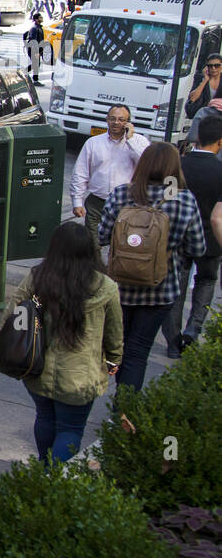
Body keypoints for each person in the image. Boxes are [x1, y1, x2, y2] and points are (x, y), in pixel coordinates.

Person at [0, 221, 122, 464]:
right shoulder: (106, 287)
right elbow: (114, 331)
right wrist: (114, 359)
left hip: (38, 368)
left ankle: (46, 466)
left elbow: (11, 316)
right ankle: (52, 478)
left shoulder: (38, 277)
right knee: (71, 428)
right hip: (80, 376)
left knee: (45, 417)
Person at [98, 143, 207, 392]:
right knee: (137, 352)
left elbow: (101, 236)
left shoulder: (121, 194)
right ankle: (122, 414)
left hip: (119, 289)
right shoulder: (184, 199)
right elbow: (197, 248)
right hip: (160, 290)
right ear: (174, 167)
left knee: (113, 346)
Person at [163, 116, 222, 356]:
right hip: (210, 241)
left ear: (197, 138)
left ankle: (173, 342)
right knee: (206, 282)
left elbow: (165, 202)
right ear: (220, 141)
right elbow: (218, 217)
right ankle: (192, 330)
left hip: (178, 239)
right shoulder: (220, 170)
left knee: (176, 289)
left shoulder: (176, 166)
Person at [71, 104, 150, 253]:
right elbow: (80, 173)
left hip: (127, 204)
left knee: (122, 247)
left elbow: (146, 163)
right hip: (97, 203)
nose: (116, 123)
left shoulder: (139, 142)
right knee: (92, 248)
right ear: (107, 120)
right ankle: (96, 273)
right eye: (112, 119)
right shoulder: (93, 143)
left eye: (121, 120)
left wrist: (130, 139)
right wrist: (77, 201)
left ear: (128, 122)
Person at [186, 53, 222, 120]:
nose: (213, 68)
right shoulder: (200, 78)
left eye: (216, 65)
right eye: (210, 66)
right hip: (203, 118)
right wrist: (205, 80)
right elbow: (192, 99)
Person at [23, 12, 46, 82]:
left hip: (36, 50)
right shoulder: (34, 28)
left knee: (35, 64)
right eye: (40, 17)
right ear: (36, 19)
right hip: (33, 50)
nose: (42, 18)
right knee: (36, 64)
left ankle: (23, 73)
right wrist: (36, 52)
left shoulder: (38, 27)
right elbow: (33, 41)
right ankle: (35, 80)